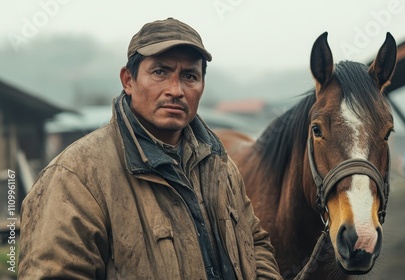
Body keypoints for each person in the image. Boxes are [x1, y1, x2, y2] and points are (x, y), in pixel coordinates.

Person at [19, 18, 282, 280]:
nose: (176, 90)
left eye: (190, 76)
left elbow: (254, 243)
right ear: (128, 80)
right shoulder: (76, 174)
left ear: (202, 86)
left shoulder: (218, 164)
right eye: (160, 72)